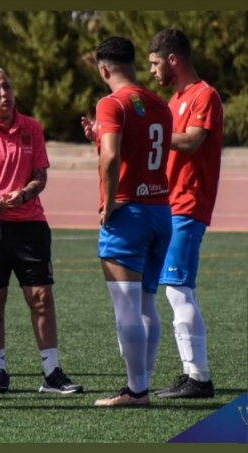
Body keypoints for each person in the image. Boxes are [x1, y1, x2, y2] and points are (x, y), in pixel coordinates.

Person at [0, 57, 83, 395]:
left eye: (7, 86)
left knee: (41, 297)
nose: (4, 94)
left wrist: (25, 193)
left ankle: (52, 372)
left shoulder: (32, 127)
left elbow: (40, 176)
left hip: (29, 223)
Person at [81, 37, 173, 407]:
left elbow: (112, 158)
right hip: (160, 210)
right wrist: (98, 140)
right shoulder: (159, 104)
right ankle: (142, 384)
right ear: (134, 64)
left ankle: (136, 391)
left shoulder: (110, 102)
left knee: (126, 307)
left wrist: (110, 201)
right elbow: (143, 149)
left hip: (130, 214)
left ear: (104, 69)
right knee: (147, 304)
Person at [147, 28, 222, 399]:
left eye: (155, 63)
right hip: (168, 204)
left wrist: (147, 133)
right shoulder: (176, 99)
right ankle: (190, 372)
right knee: (174, 290)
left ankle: (200, 379)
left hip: (189, 204)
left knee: (178, 290)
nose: (152, 71)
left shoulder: (204, 95)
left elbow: (193, 141)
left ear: (173, 59)